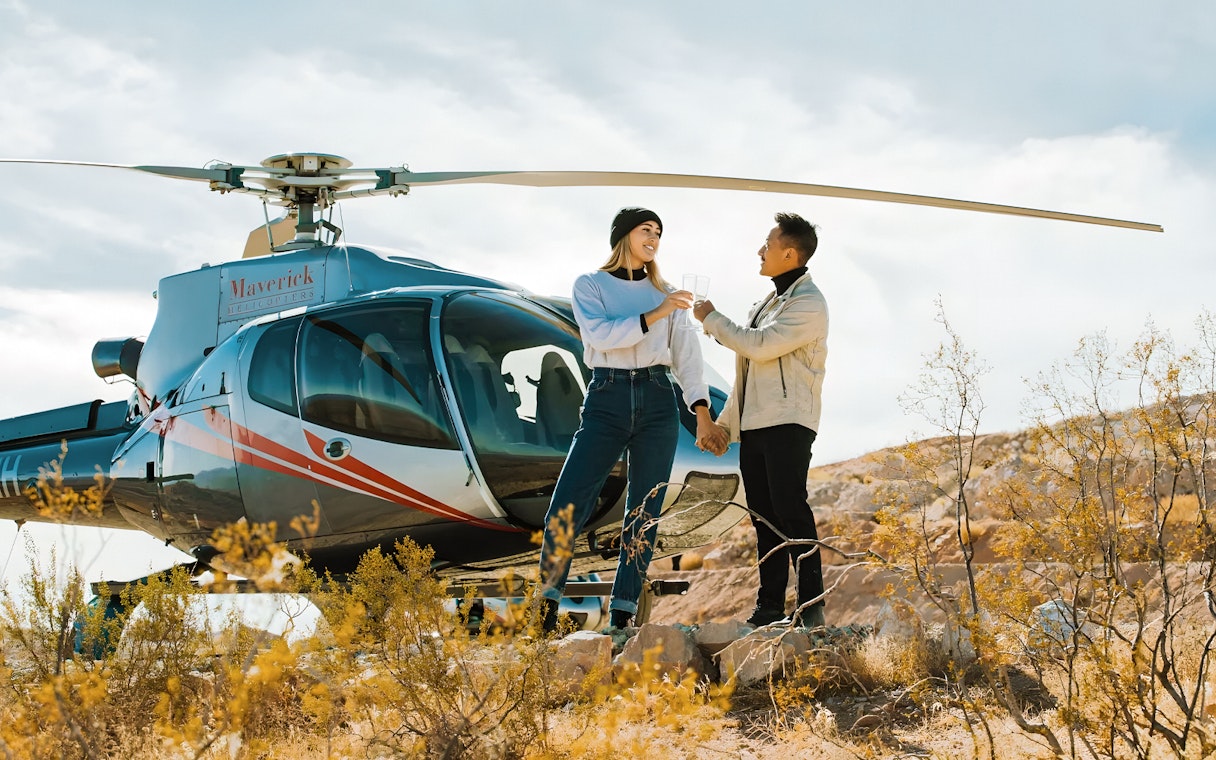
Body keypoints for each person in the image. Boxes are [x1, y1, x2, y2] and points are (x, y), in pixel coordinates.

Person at [536, 207, 726, 634]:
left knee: (645, 509)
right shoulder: (591, 285)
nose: (655, 237)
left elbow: (687, 360)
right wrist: (658, 312)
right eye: (647, 229)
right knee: (568, 500)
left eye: (659, 231)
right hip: (608, 395)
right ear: (623, 236)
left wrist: (701, 413)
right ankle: (546, 603)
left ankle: (623, 613)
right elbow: (600, 336)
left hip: (658, 398)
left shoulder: (669, 292)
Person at [693, 212, 828, 628]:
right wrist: (724, 427)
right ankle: (769, 606)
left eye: (767, 244)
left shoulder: (809, 304)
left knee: (790, 508)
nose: (760, 250)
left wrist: (712, 319)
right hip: (755, 426)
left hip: (789, 422)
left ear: (789, 253)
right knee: (763, 518)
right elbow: (746, 374)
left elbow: (762, 346)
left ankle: (811, 606)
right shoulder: (764, 304)